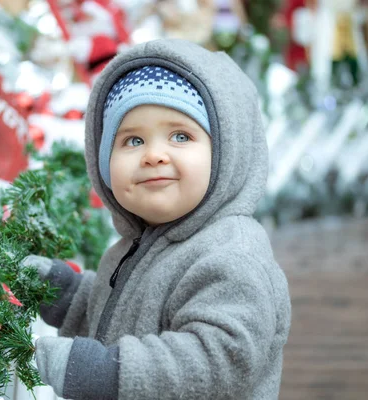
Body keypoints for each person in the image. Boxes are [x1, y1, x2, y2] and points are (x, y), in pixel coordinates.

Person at [24, 38, 291, 400]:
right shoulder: (135, 246)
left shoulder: (231, 256)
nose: (153, 155)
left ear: (225, 154)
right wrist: (68, 296)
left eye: (180, 136)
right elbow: (126, 318)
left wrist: (106, 373)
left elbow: (219, 360)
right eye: (132, 141)